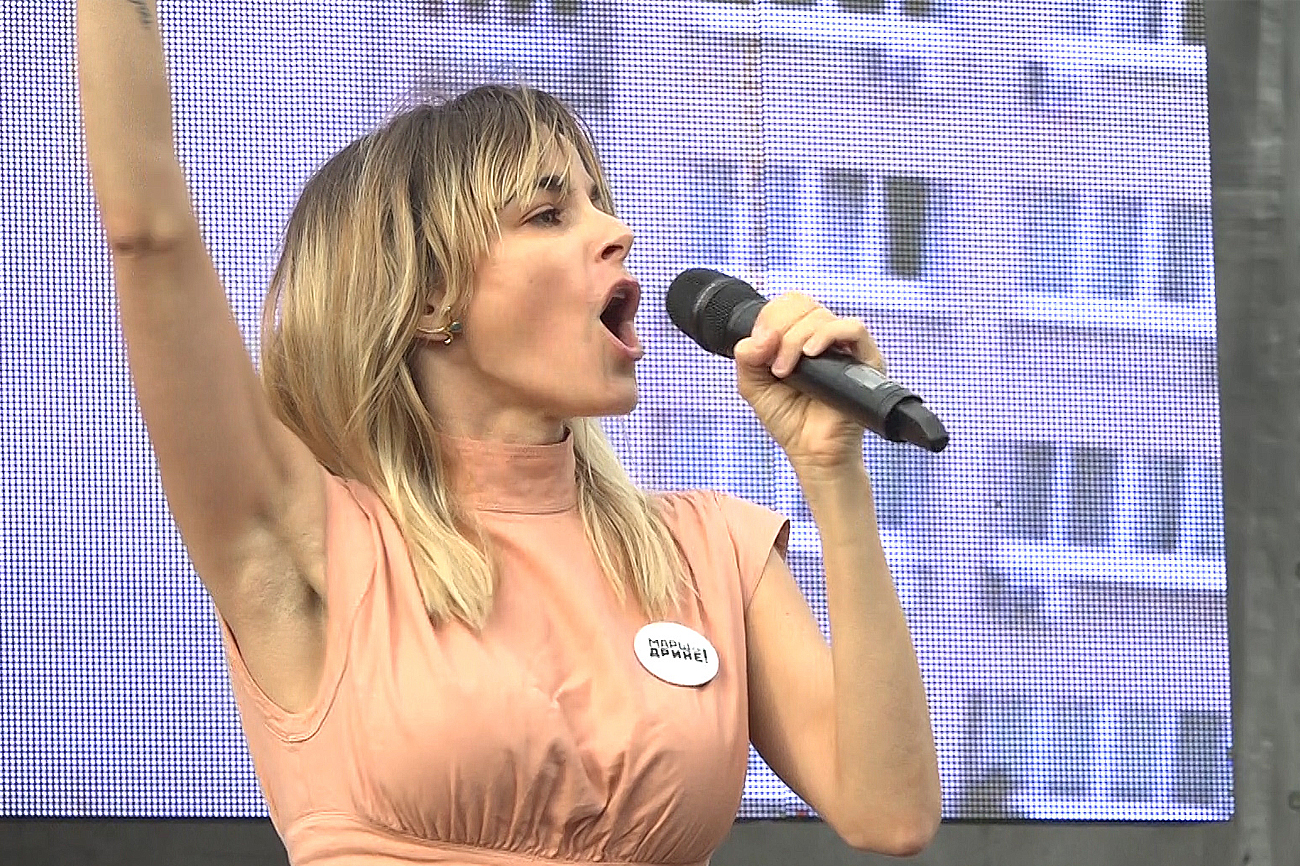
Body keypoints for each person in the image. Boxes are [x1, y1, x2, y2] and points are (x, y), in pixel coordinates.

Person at [76, 2, 942, 864]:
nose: (619, 232)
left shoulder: (711, 552)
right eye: (548, 214)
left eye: (601, 203)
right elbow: (149, 235)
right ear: (428, 299)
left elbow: (890, 814)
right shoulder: (317, 540)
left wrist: (833, 473)